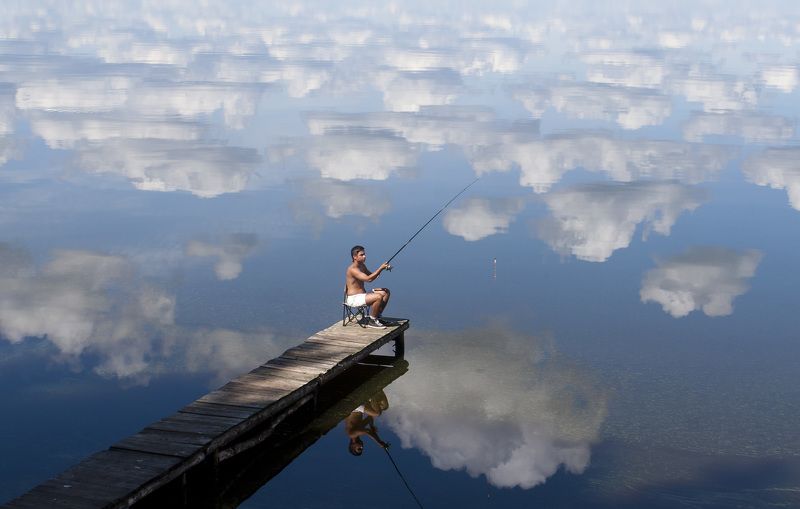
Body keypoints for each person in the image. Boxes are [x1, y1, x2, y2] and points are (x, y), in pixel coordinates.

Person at [345, 245, 391, 329]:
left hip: (363, 295)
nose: (364, 256)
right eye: (362, 255)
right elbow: (368, 279)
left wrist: (385, 268)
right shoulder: (353, 269)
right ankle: (372, 321)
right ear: (354, 257)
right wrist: (380, 268)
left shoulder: (362, 265)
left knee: (385, 292)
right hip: (354, 299)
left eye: (364, 254)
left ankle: (377, 316)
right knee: (378, 297)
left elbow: (372, 275)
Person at [344, 391, 390, 456]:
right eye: (362, 449)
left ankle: (374, 391)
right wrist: (372, 426)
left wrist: (379, 442)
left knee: (377, 413)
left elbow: (367, 431)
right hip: (359, 408)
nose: (362, 447)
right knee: (384, 406)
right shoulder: (359, 430)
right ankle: (377, 391)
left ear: (352, 446)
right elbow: (370, 418)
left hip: (353, 407)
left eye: (359, 449)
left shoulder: (352, 434)